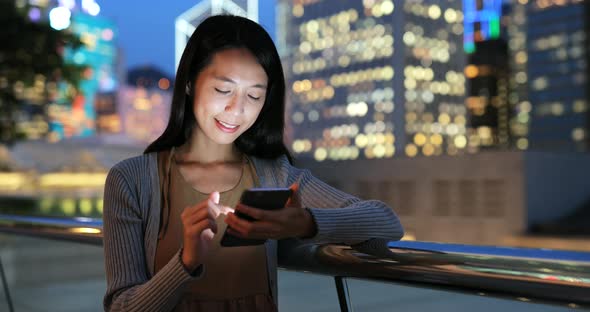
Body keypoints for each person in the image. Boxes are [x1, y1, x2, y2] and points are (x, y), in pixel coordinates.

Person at [102, 15, 404, 312]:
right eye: (223, 90)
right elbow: (121, 307)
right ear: (191, 83)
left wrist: (306, 222)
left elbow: (386, 222)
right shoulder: (132, 180)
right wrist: (186, 262)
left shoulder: (275, 174)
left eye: (255, 96)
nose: (237, 110)